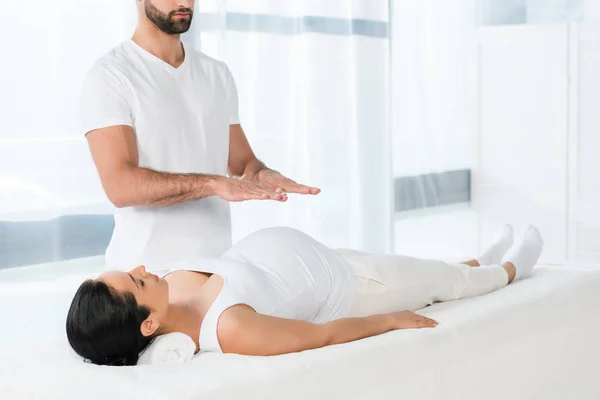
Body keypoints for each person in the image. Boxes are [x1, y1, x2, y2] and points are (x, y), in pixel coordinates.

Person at [66, 224, 544, 366]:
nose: (143, 269)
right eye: (137, 281)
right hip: (358, 289)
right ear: (148, 323)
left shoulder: (174, 291)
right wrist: (392, 320)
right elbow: (323, 334)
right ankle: (508, 269)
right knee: (445, 286)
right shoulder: (230, 328)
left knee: (431, 269)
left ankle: (480, 258)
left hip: (328, 257)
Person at [81, 0, 319, 269]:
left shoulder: (216, 73)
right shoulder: (111, 75)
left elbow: (242, 165)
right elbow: (120, 186)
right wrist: (213, 184)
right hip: (145, 276)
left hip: (214, 270)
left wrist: (262, 174)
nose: (184, 3)